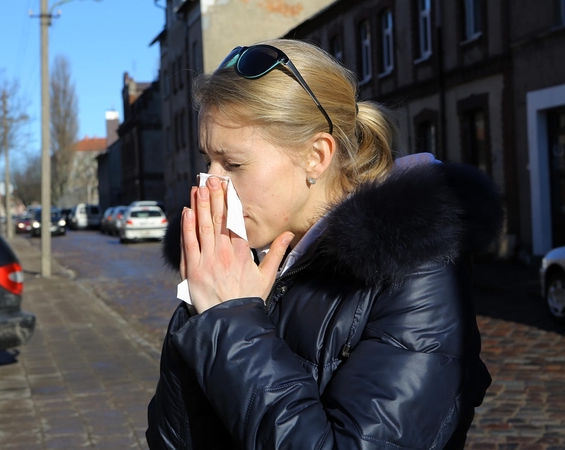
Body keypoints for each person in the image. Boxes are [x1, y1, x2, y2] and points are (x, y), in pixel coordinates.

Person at [146, 39, 503, 450]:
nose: (210, 183)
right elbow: (171, 440)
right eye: (207, 159)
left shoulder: (416, 272)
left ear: (316, 156)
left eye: (233, 164)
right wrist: (199, 313)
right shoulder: (242, 259)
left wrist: (231, 323)